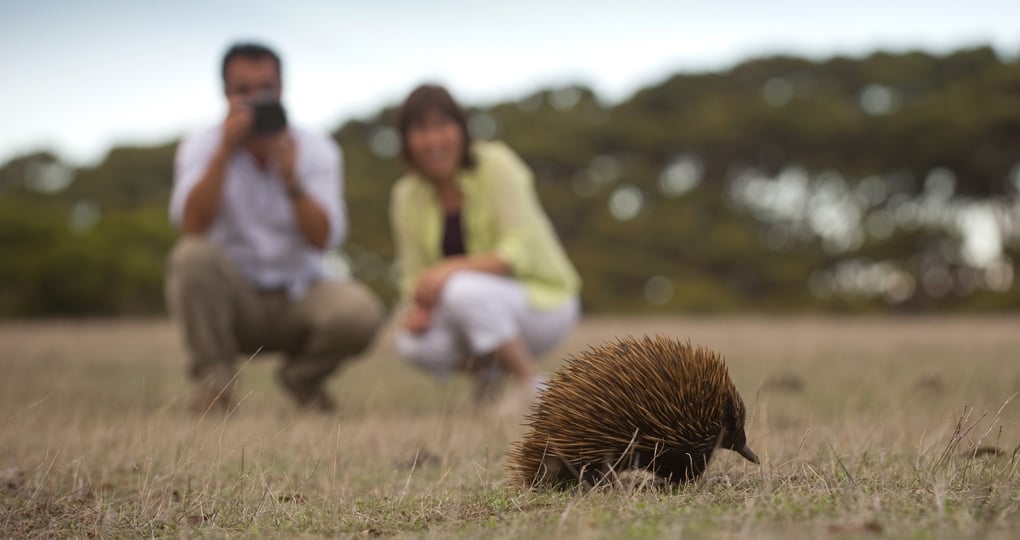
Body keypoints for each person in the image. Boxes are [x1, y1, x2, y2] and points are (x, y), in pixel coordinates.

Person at [165, 42, 384, 414]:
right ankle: (215, 387)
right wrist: (224, 153)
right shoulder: (202, 145)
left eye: (266, 88)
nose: (257, 100)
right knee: (191, 257)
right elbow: (192, 224)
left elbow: (325, 239)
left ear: (282, 89)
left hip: (299, 292)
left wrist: (292, 180)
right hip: (234, 297)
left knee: (360, 313)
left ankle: (302, 379)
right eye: (243, 90)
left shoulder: (315, 148)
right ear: (225, 94)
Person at [390, 83, 581, 407]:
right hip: (477, 310)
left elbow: (521, 248)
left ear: (462, 129)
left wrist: (451, 268)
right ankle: (490, 374)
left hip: (541, 302)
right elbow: (412, 276)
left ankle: (533, 385)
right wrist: (417, 309)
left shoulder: (496, 163)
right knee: (411, 343)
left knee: (461, 288)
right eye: (421, 129)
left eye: (442, 125)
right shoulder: (406, 194)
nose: (433, 140)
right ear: (407, 140)